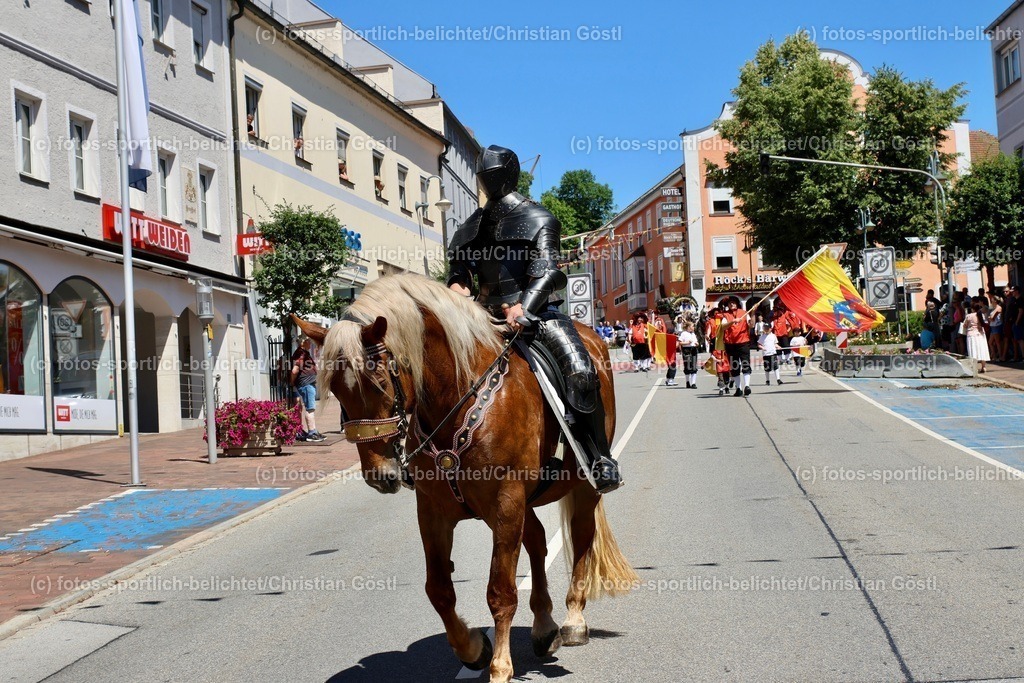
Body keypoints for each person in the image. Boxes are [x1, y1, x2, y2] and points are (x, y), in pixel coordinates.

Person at [447, 145, 620, 492]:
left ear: (508, 175)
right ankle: (419, 454)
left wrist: (523, 306)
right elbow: (460, 272)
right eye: (483, 177)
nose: (487, 181)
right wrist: (455, 289)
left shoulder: (538, 218)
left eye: (492, 176)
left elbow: (549, 273)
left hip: (536, 314)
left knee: (582, 371)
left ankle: (598, 457)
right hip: (480, 318)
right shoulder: (469, 228)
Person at [291, 336, 325, 442]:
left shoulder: (303, 353)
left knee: (309, 408)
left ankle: (311, 431)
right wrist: (292, 382)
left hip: (307, 383)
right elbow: (294, 370)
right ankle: (312, 433)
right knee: (310, 409)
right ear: (303, 343)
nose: (310, 343)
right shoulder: (301, 354)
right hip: (306, 384)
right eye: (308, 341)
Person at [721, 296, 753, 397]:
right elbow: (722, 327)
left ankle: (747, 386)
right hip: (730, 344)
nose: (732, 304)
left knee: (745, 363)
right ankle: (738, 388)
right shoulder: (725, 315)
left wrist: (753, 313)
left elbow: (751, 324)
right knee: (734, 366)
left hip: (743, 342)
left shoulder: (744, 313)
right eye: (730, 303)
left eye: (733, 302)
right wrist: (732, 321)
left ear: (737, 303)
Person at [704, 305, 731, 396]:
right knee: (718, 364)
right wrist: (707, 335)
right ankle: (721, 383)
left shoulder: (724, 319)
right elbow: (709, 330)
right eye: (715, 312)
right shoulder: (711, 321)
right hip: (715, 342)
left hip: (726, 341)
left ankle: (727, 382)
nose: (717, 314)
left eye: (718, 312)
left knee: (728, 364)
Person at [964, 301, 990, 373]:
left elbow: (965, 325)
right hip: (981, 334)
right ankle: (983, 367)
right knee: (982, 350)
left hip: (971, 334)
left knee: (973, 350)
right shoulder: (981, 315)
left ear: (972, 308)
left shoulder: (969, 316)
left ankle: (974, 367)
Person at [678, 321, 699, 389]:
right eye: (692, 326)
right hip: (686, 350)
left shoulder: (693, 334)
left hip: (693, 349)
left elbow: (696, 341)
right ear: (688, 327)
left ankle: (693, 383)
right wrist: (687, 342)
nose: (693, 327)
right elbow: (680, 343)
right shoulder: (684, 333)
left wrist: (697, 344)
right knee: (687, 366)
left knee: (693, 366)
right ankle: (687, 382)